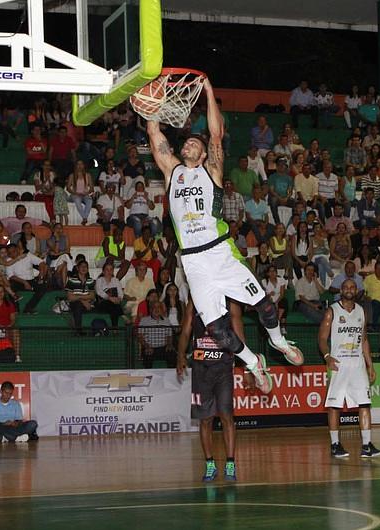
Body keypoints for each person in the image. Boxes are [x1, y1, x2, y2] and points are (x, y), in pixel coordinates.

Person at [148, 76, 303, 395]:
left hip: (220, 252)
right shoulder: (172, 172)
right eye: (187, 142)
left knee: (264, 305)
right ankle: (253, 362)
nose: (190, 143)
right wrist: (150, 104)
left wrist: (208, 91)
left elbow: (216, 133)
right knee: (218, 331)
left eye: (196, 143)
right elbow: (154, 133)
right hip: (193, 262)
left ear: (205, 155)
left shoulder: (211, 171)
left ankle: (278, 342)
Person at [176, 298, 244, 482]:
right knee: (205, 419)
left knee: (226, 415)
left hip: (223, 368)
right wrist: (181, 355)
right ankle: (210, 464)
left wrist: (246, 367)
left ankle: (230, 463)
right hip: (200, 370)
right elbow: (186, 330)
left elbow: (239, 335)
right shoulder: (195, 300)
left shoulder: (230, 303)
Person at [319, 278, 380, 459]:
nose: (349, 290)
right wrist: (327, 356)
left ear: (356, 290)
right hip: (338, 364)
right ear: (341, 290)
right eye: (346, 287)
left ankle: (366, 445)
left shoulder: (361, 311)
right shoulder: (332, 311)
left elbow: (364, 339)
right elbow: (322, 338)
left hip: (357, 365)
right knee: (334, 405)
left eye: (352, 287)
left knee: (365, 403)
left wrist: (370, 364)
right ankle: (335, 444)